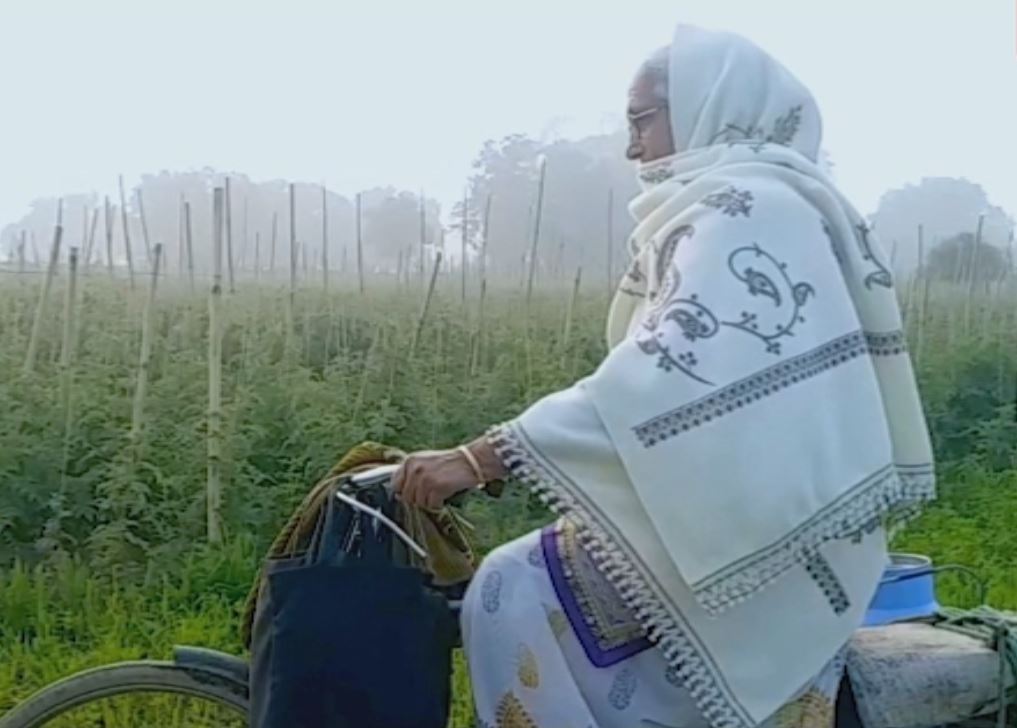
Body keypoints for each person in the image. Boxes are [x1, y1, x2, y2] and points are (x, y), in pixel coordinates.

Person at [392, 23, 935, 728]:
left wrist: (478, 458)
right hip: (781, 515)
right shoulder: (785, 200)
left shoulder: (739, 208)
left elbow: (663, 373)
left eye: (641, 119)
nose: (630, 146)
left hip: (758, 525)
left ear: (710, 105)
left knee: (510, 584)